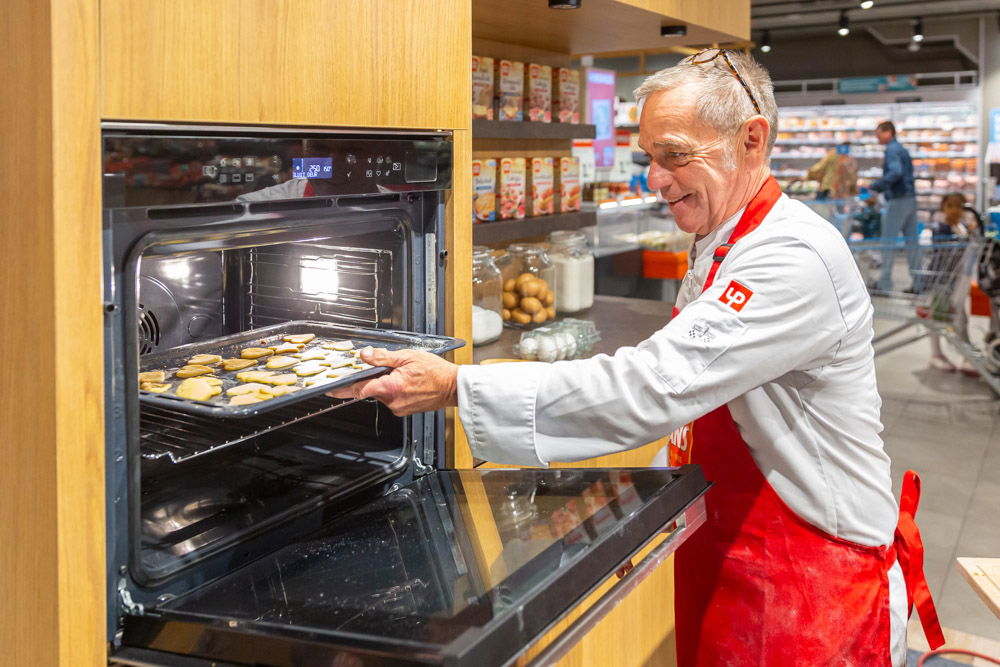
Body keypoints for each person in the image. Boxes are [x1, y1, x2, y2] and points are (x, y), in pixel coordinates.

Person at [330, 50, 942, 666]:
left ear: (751, 139)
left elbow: (657, 386)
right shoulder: (723, 240)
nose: (656, 178)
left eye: (675, 155)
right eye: (649, 156)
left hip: (814, 578)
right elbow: (699, 404)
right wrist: (632, 499)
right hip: (738, 553)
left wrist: (456, 386)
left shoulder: (792, 256)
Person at [925, 193, 981, 374]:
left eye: (959, 206)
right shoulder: (940, 227)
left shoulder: (962, 227)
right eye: (951, 206)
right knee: (937, 317)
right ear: (943, 207)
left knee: (960, 318)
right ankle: (936, 354)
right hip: (940, 281)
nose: (955, 210)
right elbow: (942, 245)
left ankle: (965, 355)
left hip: (956, 281)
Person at [870, 120, 919, 293]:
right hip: (910, 199)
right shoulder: (901, 148)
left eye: (878, 134)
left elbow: (896, 172)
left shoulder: (892, 149)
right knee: (912, 243)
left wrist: (876, 186)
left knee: (887, 242)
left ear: (888, 132)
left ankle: (884, 284)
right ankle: (919, 283)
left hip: (898, 199)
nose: (877, 138)